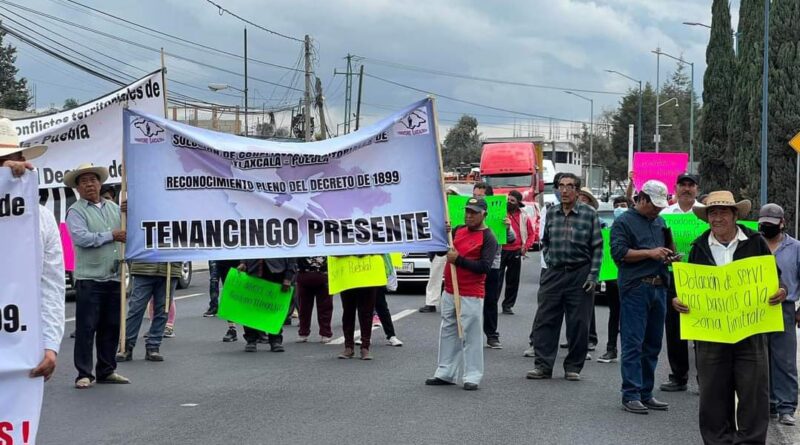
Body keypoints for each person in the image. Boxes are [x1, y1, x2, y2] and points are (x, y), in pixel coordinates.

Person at [673, 191, 785, 442]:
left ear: (735, 215)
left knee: (753, 395)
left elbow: (775, 278)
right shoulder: (699, 247)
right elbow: (686, 290)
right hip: (710, 335)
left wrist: (781, 291)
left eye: (723, 212)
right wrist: (678, 301)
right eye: (712, 213)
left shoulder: (755, 242)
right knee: (713, 396)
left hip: (750, 332)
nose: (717, 218)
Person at [0, 136, 65, 383]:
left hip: (20, 341)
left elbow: (51, 285)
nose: (7, 169)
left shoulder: (43, 219)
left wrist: (50, 344)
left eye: (10, 160)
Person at [526, 173, 602, 382]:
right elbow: (546, 241)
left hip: (580, 273)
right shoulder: (552, 213)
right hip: (554, 273)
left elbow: (597, 247)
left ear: (577, 191)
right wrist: (550, 259)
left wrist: (593, 275)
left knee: (579, 323)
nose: (565, 190)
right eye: (561, 186)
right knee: (545, 320)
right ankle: (542, 366)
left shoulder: (589, 214)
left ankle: (573, 367)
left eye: (569, 186)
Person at [64, 163, 129, 388]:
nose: (89, 185)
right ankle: (84, 373)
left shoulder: (114, 208)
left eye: (93, 180)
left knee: (111, 326)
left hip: (114, 276)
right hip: (89, 278)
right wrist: (112, 235)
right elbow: (81, 238)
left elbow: (128, 230)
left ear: (100, 183)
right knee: (86, 328)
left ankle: (107, 369)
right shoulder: (75, 211)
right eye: (84, 182)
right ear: (77, 188)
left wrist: (129, 212)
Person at [610, 180, 673, 414]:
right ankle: (631, 394)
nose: (657, 210)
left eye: (660, 206)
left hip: (659, 286)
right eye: (654, 205)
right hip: (636, 288)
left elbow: (663, 249)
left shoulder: (660, 222)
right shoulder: (623, 221)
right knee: (633, 343)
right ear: (642, 198)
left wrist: (668, 256)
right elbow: (619, 253)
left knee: (653, 344)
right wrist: (650, 253)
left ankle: (646, 393)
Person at [425, 197, 497, 390]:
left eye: (474, 212)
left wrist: (459, 260)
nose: (469, 216)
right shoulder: (457, 230)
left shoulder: (489, 237)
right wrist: (443, 237)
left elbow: (484, 267)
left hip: (471, 293)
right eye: (467, 211)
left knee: (471, 336)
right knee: (448, 331)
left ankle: (472, 375)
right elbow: (443, 253)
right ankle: (445, 372)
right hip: (450, 290)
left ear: (484, 214)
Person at [758, 204, 799, 426]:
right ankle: (768, 404)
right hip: (756, 310)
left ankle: (786, 407)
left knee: (784, 361)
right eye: (764, 224)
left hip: (785, 309)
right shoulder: (753, 244)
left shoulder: (796, 247)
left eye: (772, 224)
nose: (767, 227)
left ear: (782, 223)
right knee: (759, 359)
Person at [659, 173, 700, 393]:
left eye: (690, 185)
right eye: (682, 185)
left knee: (703, 327)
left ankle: (705, 378)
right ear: (675, 188)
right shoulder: (664, 214)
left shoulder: (705, 214)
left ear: (697, 189)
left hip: (700, 276)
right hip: (672, 275)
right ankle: (678, 376)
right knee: (674, 327)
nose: (686, 189)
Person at [116, 262, 182, 362]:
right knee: (136, 309)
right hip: (143, 268)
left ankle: (153, 346)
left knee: (162, 310)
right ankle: (126, 346)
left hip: (170, 269)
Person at [476, 185, 516, 349]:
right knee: (469, 302)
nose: (477, 198)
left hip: (491, 266)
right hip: (470, 265)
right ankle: (468, 334)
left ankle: (492, 335)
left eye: (480, 196)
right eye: (475, 195)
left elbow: (511, 238)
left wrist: (507, 227)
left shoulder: (498, 214)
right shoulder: (467, 215)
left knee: (490, 301)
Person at [421, 185, 465, 313]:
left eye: (451, 194)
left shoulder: (462, 211)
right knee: (435, 275)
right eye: (447, 193)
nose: (448, 196)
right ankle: (431, 302)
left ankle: (458, 302)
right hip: (441, 247)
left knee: (457, 276)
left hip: (457, 247)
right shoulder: (436, 210)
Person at [238, 258, 297, 352]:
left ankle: (275, 340)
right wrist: (243, 262)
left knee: (274, 309)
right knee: (250, 308)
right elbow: (244, 248)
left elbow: (291, 256)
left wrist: (288, 277)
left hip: (277, 272)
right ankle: (251, 340)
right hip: (253, 271)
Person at [597, 196, 629, 364]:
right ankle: (611, 349)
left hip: (630, 280)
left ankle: (629, 351)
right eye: (617, 206)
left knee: (630, 316)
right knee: (614, 313)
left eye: (623, 205)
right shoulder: (607, 230)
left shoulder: (633, 229)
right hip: (612, 279)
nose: (619, 208)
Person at [499, 189, 534, 314]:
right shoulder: (499, 212)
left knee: (513, 280)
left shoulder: (523, 216)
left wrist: (526, 246)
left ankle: (508, 305)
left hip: (515, 251)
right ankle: (491, 303)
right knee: (497, 279)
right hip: (500, 250)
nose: (509, 202)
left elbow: (531, 234)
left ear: (518, 203)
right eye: (508, 199)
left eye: (512, 201)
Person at [296, 256, 333, 343]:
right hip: (304, 275)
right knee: (304, 308)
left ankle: (325, 333)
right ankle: (303, 332)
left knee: (325, 307)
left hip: (324, 275)